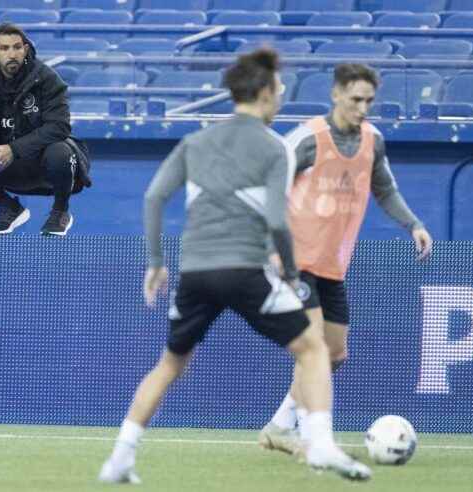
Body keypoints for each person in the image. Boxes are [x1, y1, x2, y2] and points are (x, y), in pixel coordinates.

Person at [98, 49, 371, 485]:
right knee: (313, 349)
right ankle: (320, 445)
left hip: (195, 272)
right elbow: (279, 221)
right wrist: (292, 273)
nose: (280, 99)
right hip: (245, 269)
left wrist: (155, 262)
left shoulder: (196, 141)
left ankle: (120, 458)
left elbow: (153, 198)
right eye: (278, 91)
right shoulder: (273, 147)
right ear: (263, 94)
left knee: (169, 364)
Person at [258, 63, 433, 457]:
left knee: (335, 354)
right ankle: (311, 436)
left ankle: (278, 425)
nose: (363, 107)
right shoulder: (308, 138)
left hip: (332, 265)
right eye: (356, 99)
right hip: (295, 260)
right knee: (315, 348)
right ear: (336, 94)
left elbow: (385, 190)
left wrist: (414, 225)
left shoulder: (373, 140)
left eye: (369, 100)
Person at [0, 22, 91, 236]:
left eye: (16, 47)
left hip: (41, 162)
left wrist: (14, 149)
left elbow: (59, 126)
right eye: (5, 48)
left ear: (25, 49)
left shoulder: (47, 78)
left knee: (62, 151)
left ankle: (60, 211)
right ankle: (9, 207)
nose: (11, 54)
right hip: (0, 165)